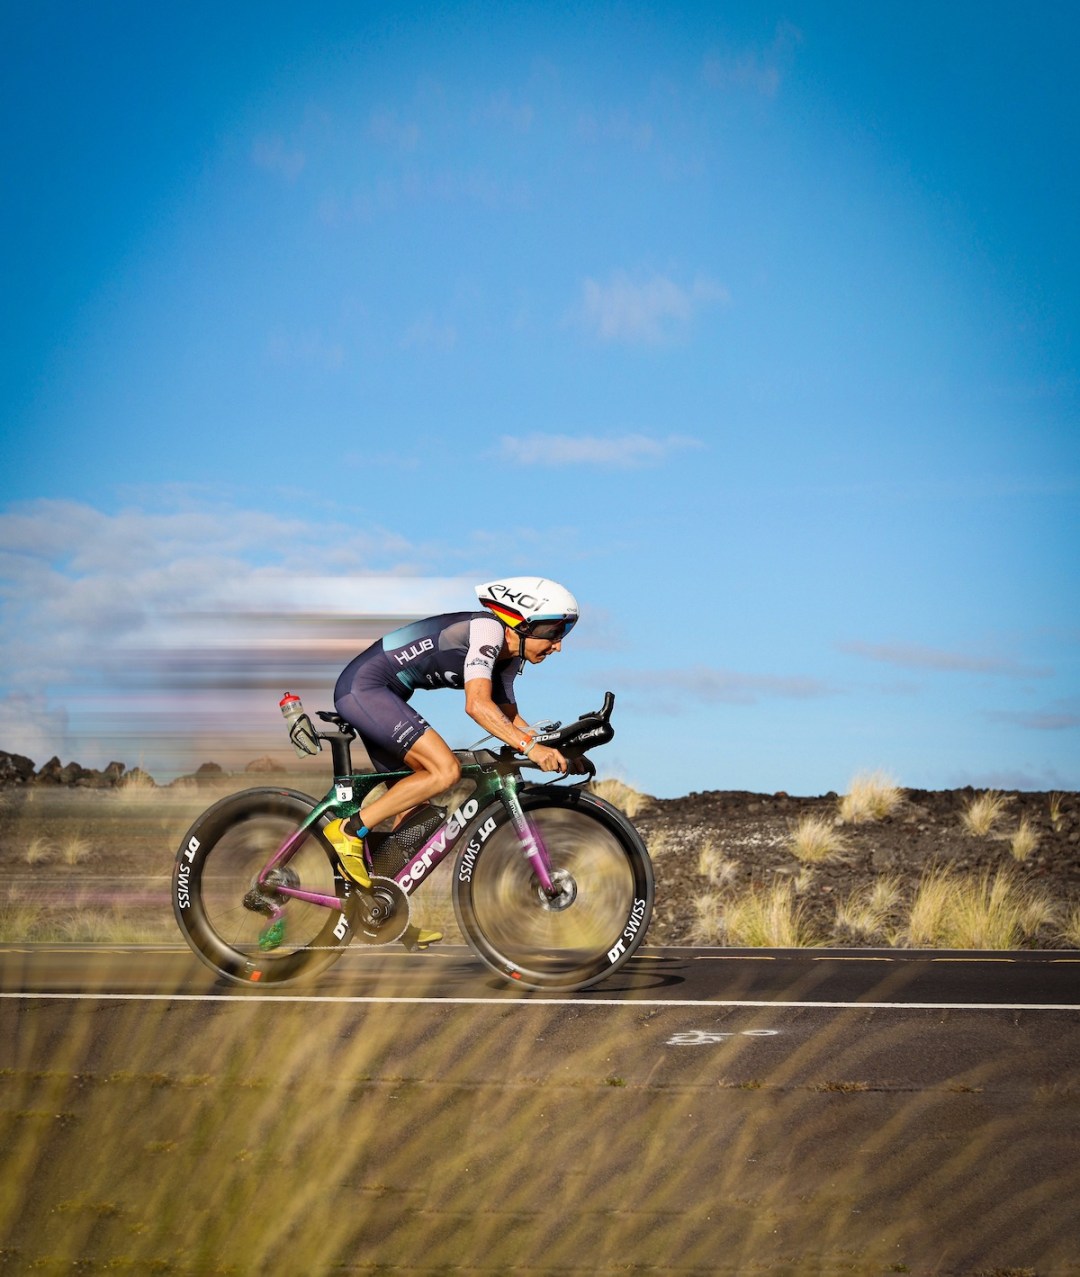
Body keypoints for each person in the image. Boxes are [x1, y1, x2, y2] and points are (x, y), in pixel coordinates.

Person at [324, 576, 579, 946]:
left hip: (385, 694)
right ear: (522, 622)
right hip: (365, 688)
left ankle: (377, 906)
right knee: (445, 771)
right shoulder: (488, 631)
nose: (558, 646)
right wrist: (530, 747)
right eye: (554, 632)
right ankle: (348, 830)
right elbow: (477, 705)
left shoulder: (508, 660)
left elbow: (509, 721)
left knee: (417, 816)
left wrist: (560, 752)